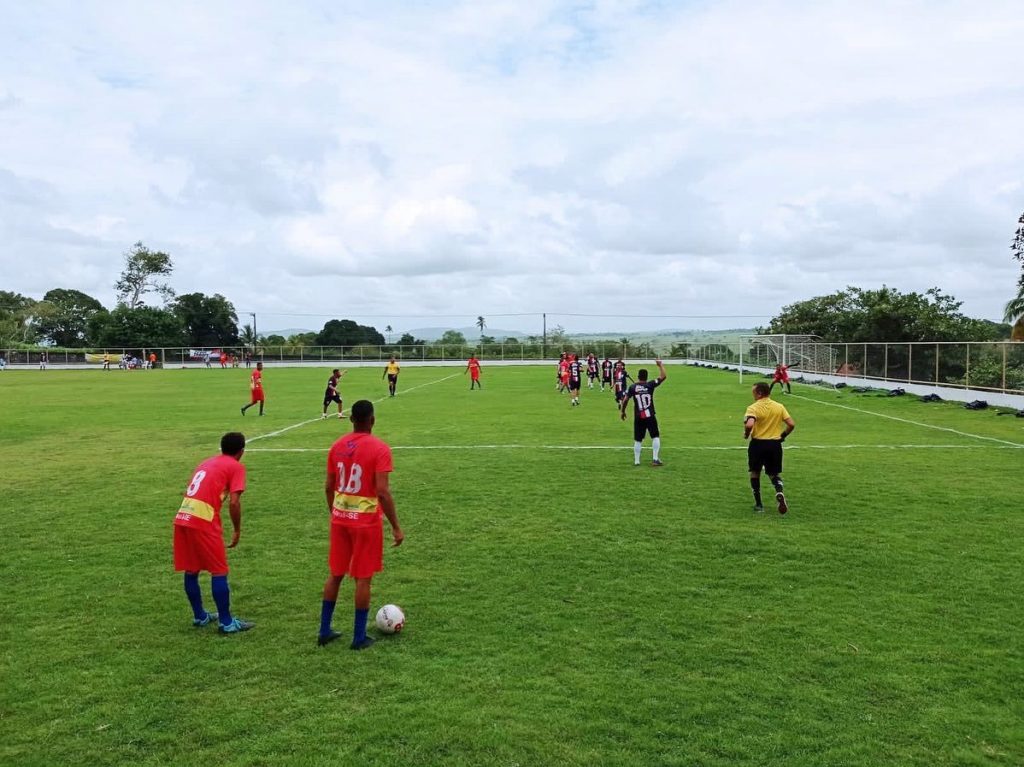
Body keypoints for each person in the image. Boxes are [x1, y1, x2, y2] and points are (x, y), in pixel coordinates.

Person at [318, 400, 404, 650]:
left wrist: (335, 512)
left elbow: (328, 486)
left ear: (351, 419)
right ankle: (358, 637)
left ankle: (324, 630)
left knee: (335, 574)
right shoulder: (380, 449)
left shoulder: (337, 446)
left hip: (340, 519)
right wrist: (396, 526)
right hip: (365, 523)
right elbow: (383, 492)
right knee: (363, 579)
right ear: (372, 420)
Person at [173, 431, 253, 634]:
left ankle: (200, 616)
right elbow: (234, 502)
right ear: (241, 451)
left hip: (183, 516)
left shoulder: (207, 462)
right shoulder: (236, 466)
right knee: (219, 571)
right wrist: (237, 530)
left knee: (191, 569)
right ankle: (226, 623)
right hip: (203, 520)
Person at [743, 381, 796, 514]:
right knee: (774, 473)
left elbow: (749, 424)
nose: (753, 394)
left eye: (754, 392)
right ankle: (779, 491)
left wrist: (746, 434)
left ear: (759, 393)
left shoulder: (753, 408)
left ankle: (759, 504)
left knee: (755, 472)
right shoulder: (779, 406)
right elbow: (791, 424)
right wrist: (783, 435)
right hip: (774, 445)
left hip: (758, 444)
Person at [620, 359, 667, 466]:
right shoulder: (650, 385)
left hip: (639, 416)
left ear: (638, 376)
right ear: (646, 377)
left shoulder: (633, 387)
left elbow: (625, 400)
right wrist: (660, 365)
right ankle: (655, 459)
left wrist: (623, 411)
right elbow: (663, 376)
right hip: (650, 415)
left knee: (638, 439)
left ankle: (637, 461)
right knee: (655, 436)